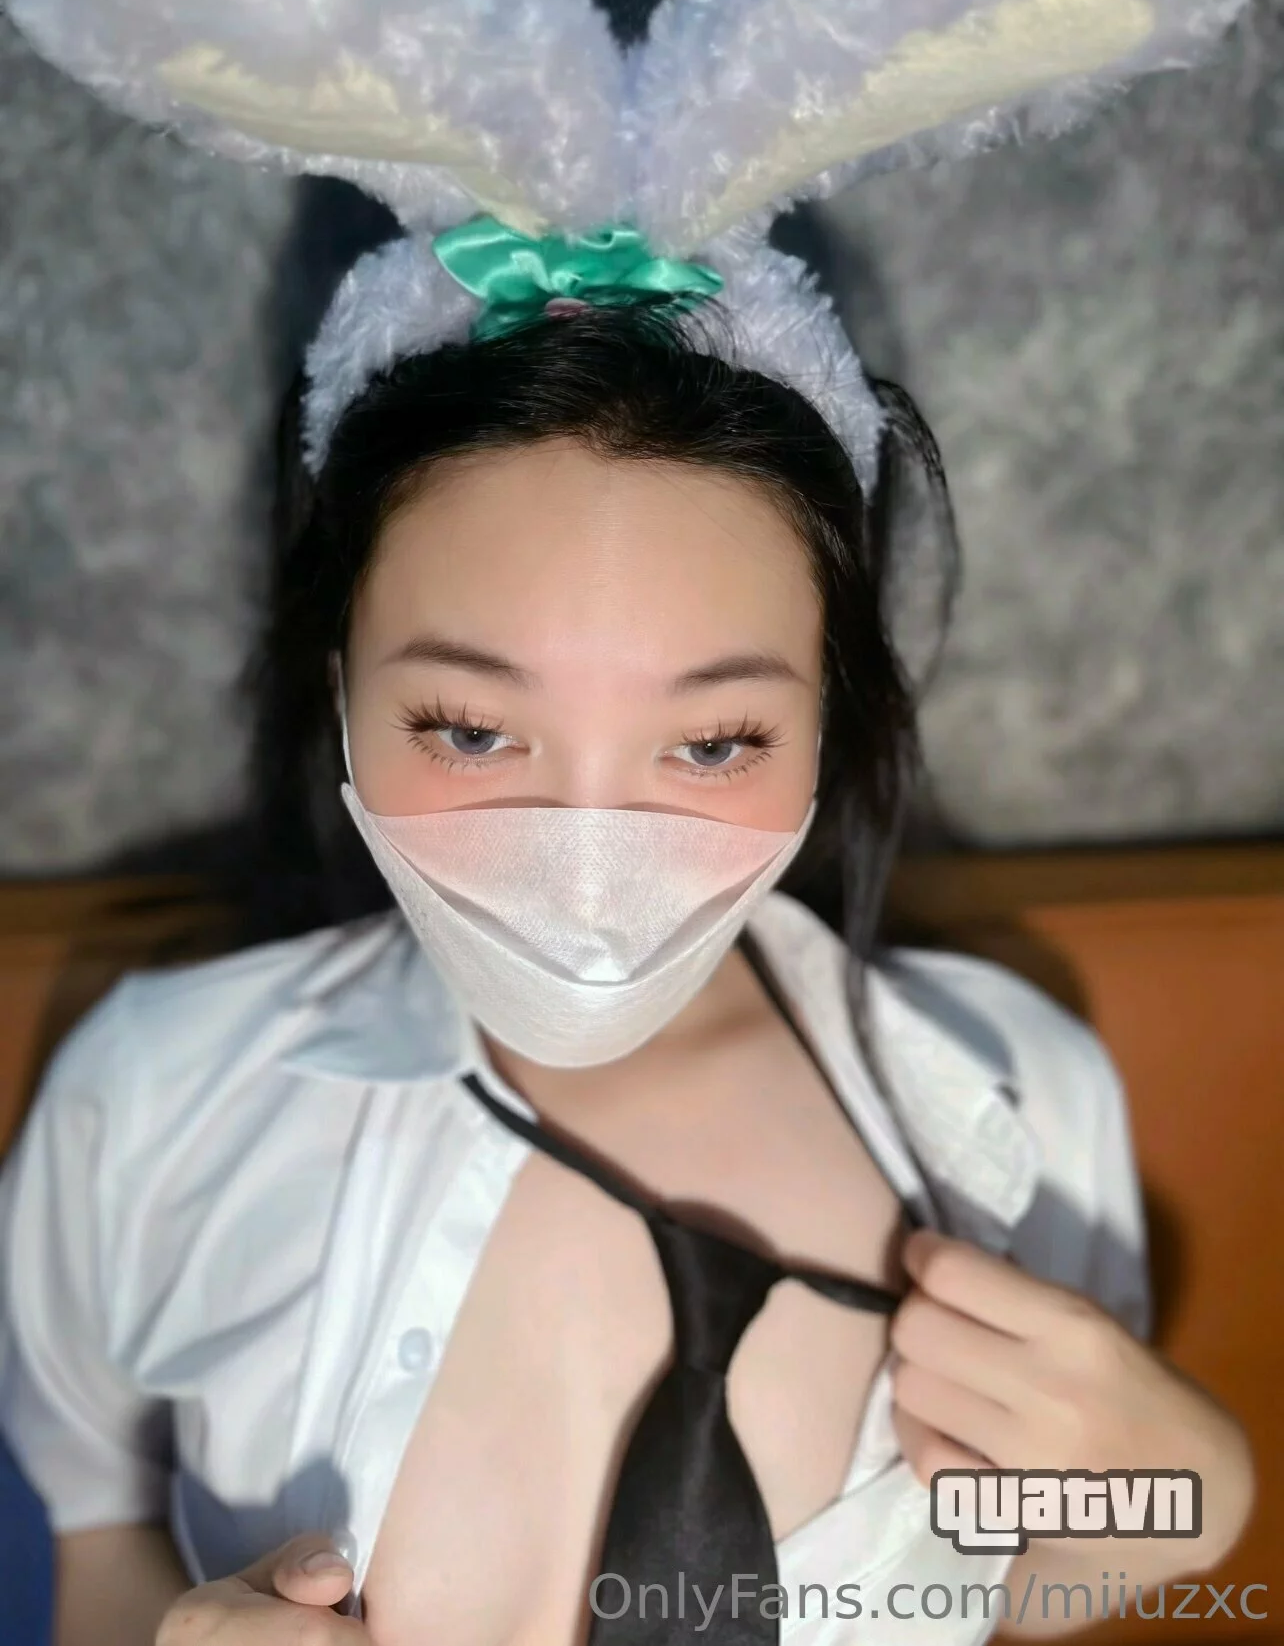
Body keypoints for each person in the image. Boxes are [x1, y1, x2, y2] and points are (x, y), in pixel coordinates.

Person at [0, 298, 1256, 1646]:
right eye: (469, 728)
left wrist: (1184, 1506)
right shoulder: (150, 1098)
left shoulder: (1020, 1107)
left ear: (827, 725)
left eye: (713, 744)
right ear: (343, 692)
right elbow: (98, 1531)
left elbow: (1007, 1584)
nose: (587, 871)